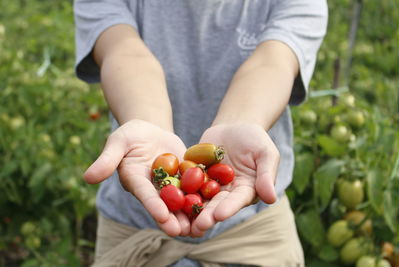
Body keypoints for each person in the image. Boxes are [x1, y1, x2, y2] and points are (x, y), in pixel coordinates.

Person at [74, 0, 328, 266]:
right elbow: (125, 52)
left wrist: (242, 121)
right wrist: (146, 121)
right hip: (133, 234)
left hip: (253, 235)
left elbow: (272, 63)